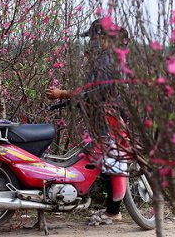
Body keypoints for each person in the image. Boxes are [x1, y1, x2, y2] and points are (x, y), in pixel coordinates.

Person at [46, 18, 130, 226]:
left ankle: (113, 212)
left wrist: (63, 94)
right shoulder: (106, 59)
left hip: (110, 119)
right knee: (104, 162)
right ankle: (112, 209)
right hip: (103, 118)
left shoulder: (107, 60)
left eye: (93, 37)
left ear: (102, 37)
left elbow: (96, 91)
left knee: (111, 164)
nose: (91, 42)